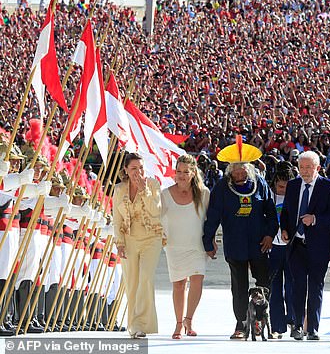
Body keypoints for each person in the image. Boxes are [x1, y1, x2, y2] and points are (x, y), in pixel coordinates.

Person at [202, 139, 278, 340]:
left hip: (259, 244)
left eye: (243, 170)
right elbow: (213, 215)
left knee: (263, 283)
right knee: (239, 287)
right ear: (229, 171)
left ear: (249, 169)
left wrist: (270, 234)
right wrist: (208, 241)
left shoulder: (260, 183)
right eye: (235, 170)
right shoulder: (222, 187)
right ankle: (242, 325)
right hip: (235, 244)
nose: (239, 174)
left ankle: (262, 322)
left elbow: (271, 212)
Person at [280, 151, 330, 341]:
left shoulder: (329, 187)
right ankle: (297, 325)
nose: (304, 171)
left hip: (319, 246)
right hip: (296, 244)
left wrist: (315, 219)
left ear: (318, 168)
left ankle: (312, 328)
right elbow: (287, 211)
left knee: (315, 287)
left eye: (308, 167)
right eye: (301, 167)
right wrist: (284, 229)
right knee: (297, 286)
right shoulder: (293, 185)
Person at [112, 153, 163, 339]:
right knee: (131, 282)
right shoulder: (119, 189)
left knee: (146, 279)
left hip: (152, 238)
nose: (138, 172)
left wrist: (144, 191)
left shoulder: (153, 185)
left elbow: (156, 211)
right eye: (134, 168)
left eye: (141, 168)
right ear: (125, 170)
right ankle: (134, 326)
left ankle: (141, 323)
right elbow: (116, 219)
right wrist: (119, 243)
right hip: (129, 239)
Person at [161, 154, 210, 339]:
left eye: (185, 172)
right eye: (178, 171)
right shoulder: (165, 193)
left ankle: (189, 319)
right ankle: (178, 323)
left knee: (197, 280)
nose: (181, 175)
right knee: (179, 285)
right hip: (174, 246)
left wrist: (211, 241)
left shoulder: (204, 193)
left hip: (197, 246)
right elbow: (157, 217)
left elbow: (209, 220)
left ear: (193, 172)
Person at [268, 168, 296, 339]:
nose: (282, 190)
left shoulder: (295, 199)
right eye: (279, 186)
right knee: (274, 288)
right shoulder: (269, 199)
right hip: (273, 248)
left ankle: (293, 321)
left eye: (285, 187)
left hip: (291, 247)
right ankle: (276, 325)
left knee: (292, 287)